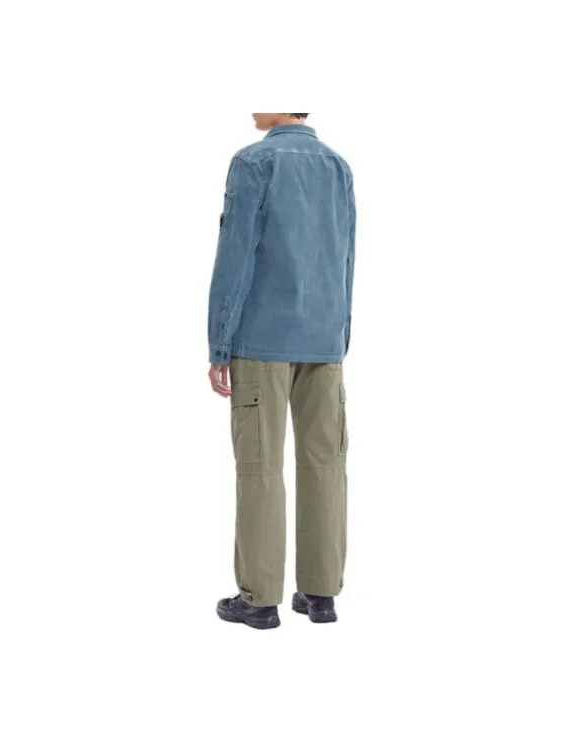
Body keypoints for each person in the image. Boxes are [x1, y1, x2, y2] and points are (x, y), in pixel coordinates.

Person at [207, 113, 356, 629]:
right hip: (324, 340)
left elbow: (235, 255)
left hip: (262, 339)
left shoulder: (254, 162)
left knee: (261, 468)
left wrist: (219, 343)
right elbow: (346, 257)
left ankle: (260, 598)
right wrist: (340, 336)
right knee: (325, 466)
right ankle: (321, 594)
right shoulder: (337, 166)